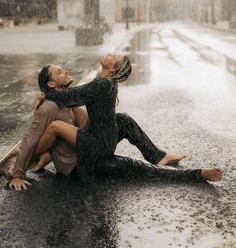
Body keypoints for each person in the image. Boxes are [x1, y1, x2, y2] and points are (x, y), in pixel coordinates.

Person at [33, 53, 223, 184]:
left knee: (139, 169)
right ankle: (160, 157)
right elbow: (76, 95)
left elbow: (70, 97)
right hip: (101, 143)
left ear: (113, 68)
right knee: (123, 120)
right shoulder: (107, 83)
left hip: (94, 151)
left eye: (113, 56)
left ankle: (195, 174)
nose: (109, 53)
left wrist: (46, 93)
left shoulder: (102, 84)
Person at [8, 60, 186, 190]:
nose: (66, 72)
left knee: (123, 120)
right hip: (79, 167)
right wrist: (18, 174)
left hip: (89, 154)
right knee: (132, 168)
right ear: (51, 83)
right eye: (60, 72)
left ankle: (159, 157)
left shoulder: (72, 106)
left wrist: (46, 158)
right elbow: (30, 139)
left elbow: (88, 129)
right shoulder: (48, 108)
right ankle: (190, 175)